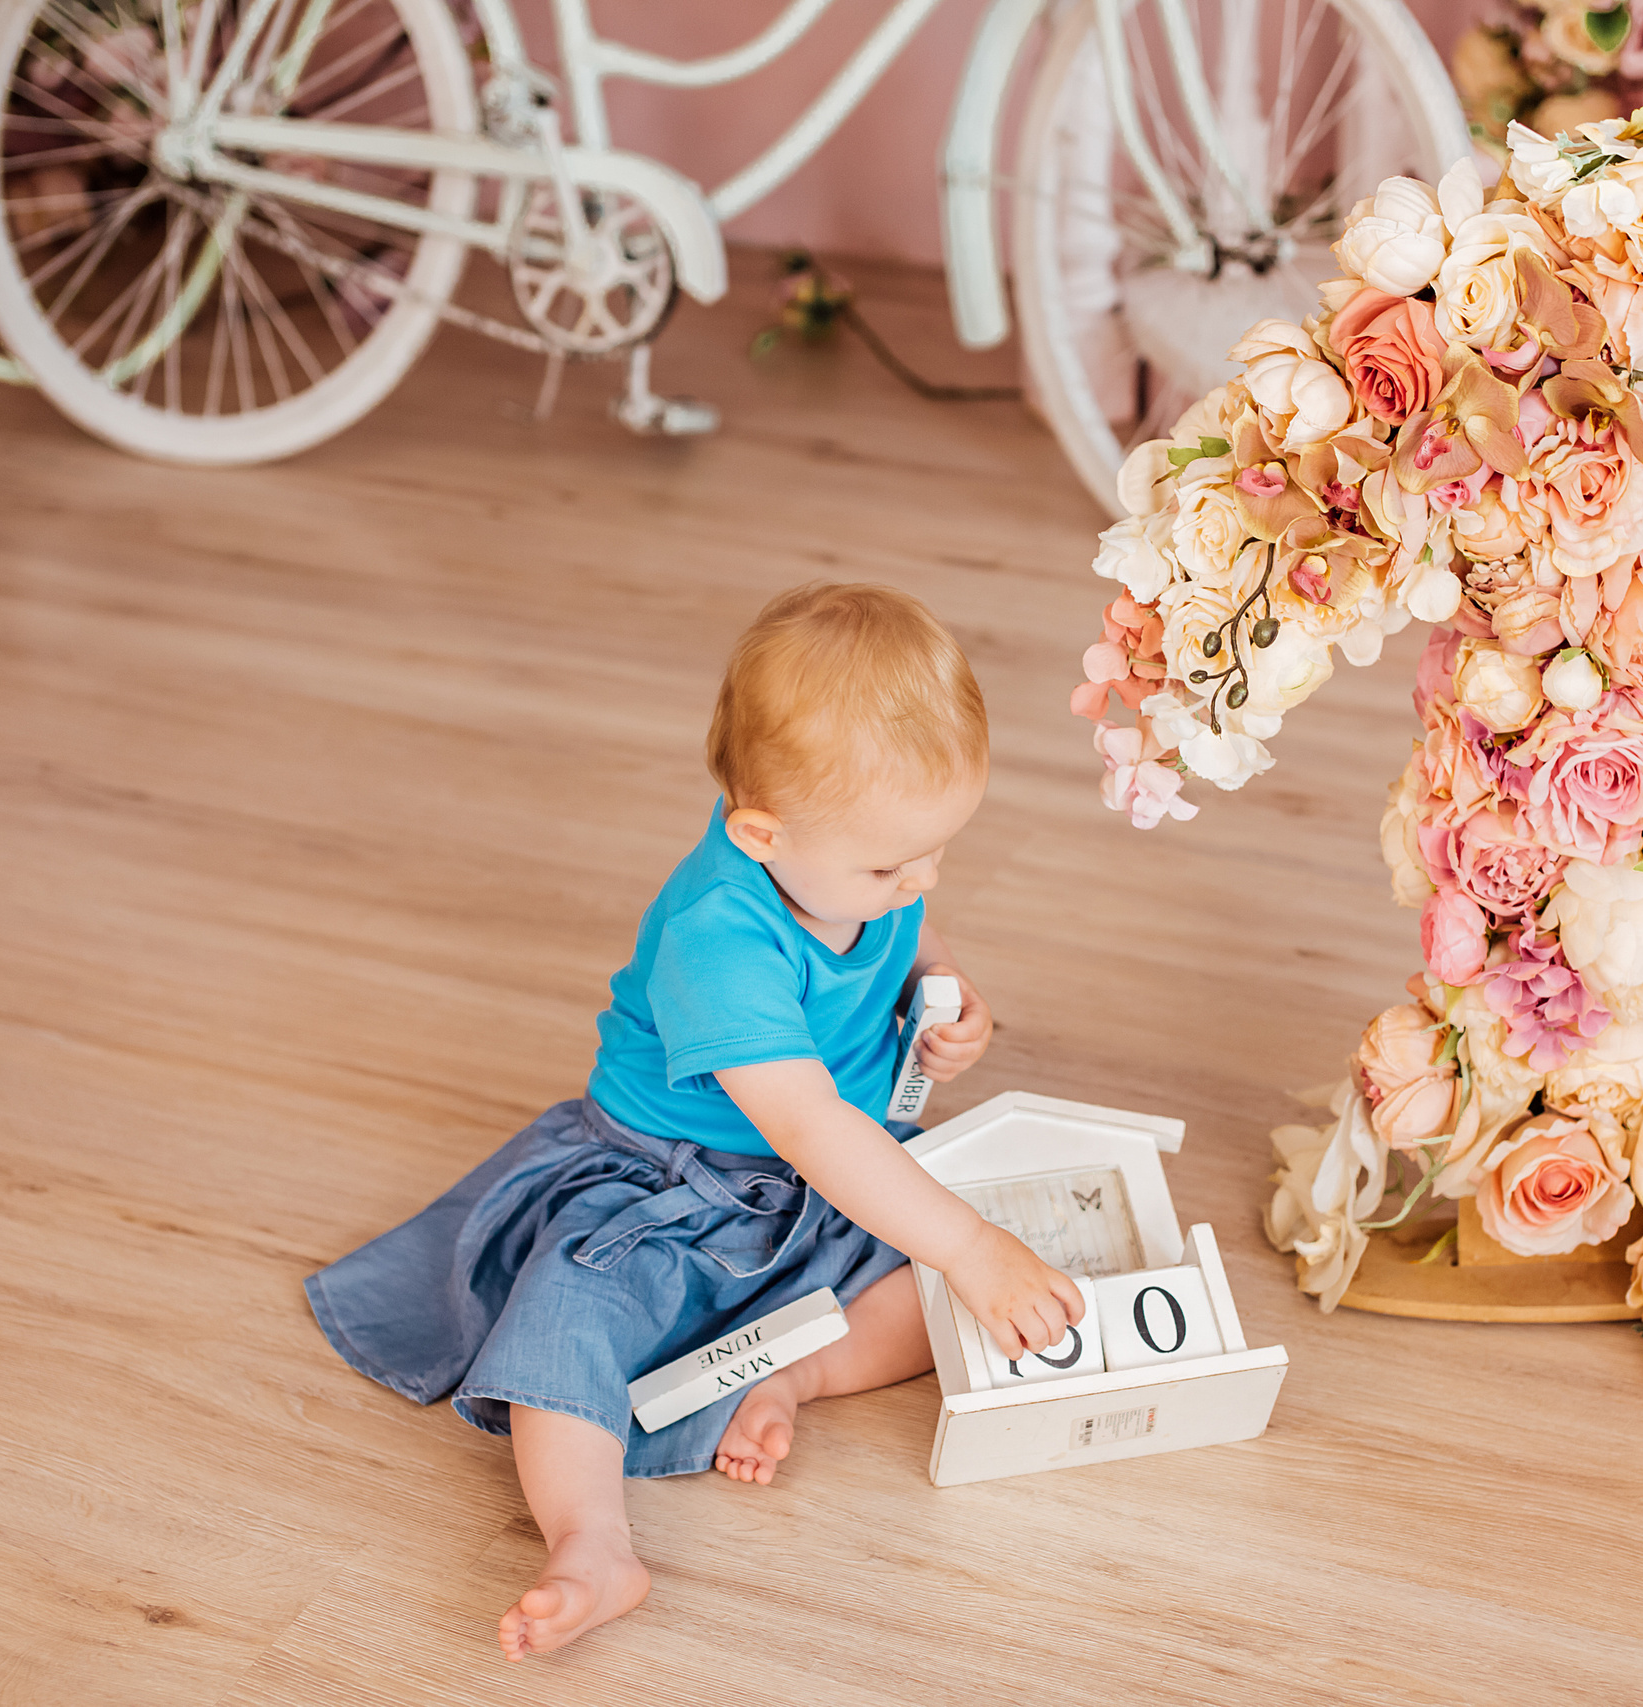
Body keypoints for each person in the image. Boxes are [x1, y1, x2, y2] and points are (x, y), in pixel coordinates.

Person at [304, 582, 1084, 1660]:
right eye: (890, 865)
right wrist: (969, 1244)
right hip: (666, 1182)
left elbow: (908, 932)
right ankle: (589, 1542)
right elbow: (810, 1125)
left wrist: (948, 991)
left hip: (828, 1179)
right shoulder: (715, 941)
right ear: (759, 834)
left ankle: (793, 1370)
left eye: (938, 850)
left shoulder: (854, 860)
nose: (919, 881)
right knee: (567, 1323)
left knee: (938, 1294)